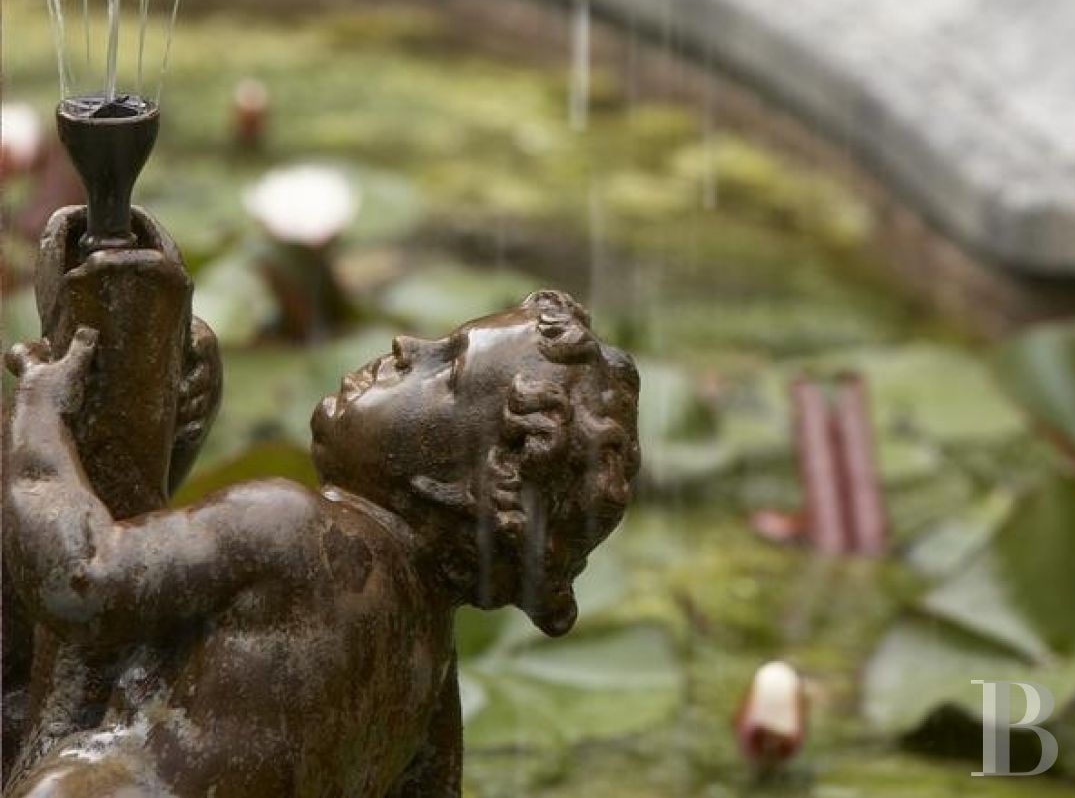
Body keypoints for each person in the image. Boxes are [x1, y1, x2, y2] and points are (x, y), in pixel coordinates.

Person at [3, 290, 640, 798]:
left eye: (447, 366)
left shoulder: (286, 524)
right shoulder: (426, 661)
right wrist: (177, 427)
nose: (405, 345)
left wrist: (37, 416)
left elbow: (82, 578)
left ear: (454, 482)